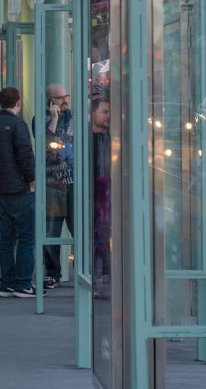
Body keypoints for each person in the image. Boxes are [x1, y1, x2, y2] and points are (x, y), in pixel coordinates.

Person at [0, 87, 43, 298]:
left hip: (0, 188)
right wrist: (32, 180)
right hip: (18, 188)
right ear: (18, 102)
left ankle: (6, 284)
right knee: (27, 238)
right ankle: (23, 284)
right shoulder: (19, 125)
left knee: (7, 239)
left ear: (0, 102)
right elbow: (25, 155)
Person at [34, 83, 74, 290]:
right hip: (52, 183)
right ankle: (52, 273)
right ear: (50, 101)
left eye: (66, 96)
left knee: (80, 227)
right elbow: (44, 144)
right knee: (51, 230)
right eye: (60, 98)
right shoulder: (40, 120)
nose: (65, 100)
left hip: (74, 181)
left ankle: (86, 268)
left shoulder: (74, 117)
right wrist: (55, 119)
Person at [91, 95, 111, 290]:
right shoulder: (84, 139)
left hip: (109, 197)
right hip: (91, 198)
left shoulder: (116, 140)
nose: (108, 116)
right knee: (95, 238)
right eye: (104, 112)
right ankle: (96, 277)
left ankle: (105, 274)